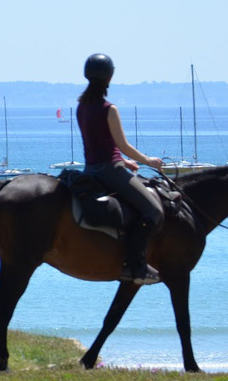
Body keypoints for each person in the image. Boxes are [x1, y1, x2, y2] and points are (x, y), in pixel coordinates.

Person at [76, 53, 165, 285]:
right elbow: (123, 145)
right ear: (109, 77)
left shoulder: (81, 107)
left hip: (91, 170)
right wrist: (148, 161)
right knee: (154, 211)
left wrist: (125, 162)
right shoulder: (109, 108)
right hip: (109, 171)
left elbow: (96, 143)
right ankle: (135, 264)